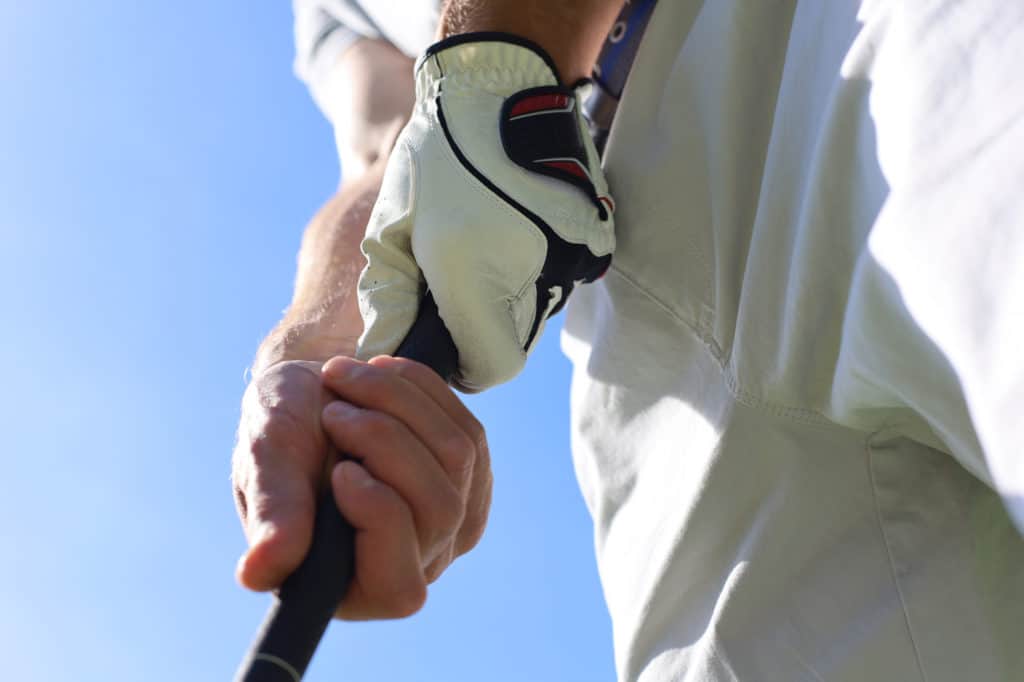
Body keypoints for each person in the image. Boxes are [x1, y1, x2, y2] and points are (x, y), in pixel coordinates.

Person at [232, 1, 1024, 679]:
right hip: (631, 303)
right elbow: (386, 151)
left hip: (826, 33)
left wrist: (500, 55)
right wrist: (313, 363)